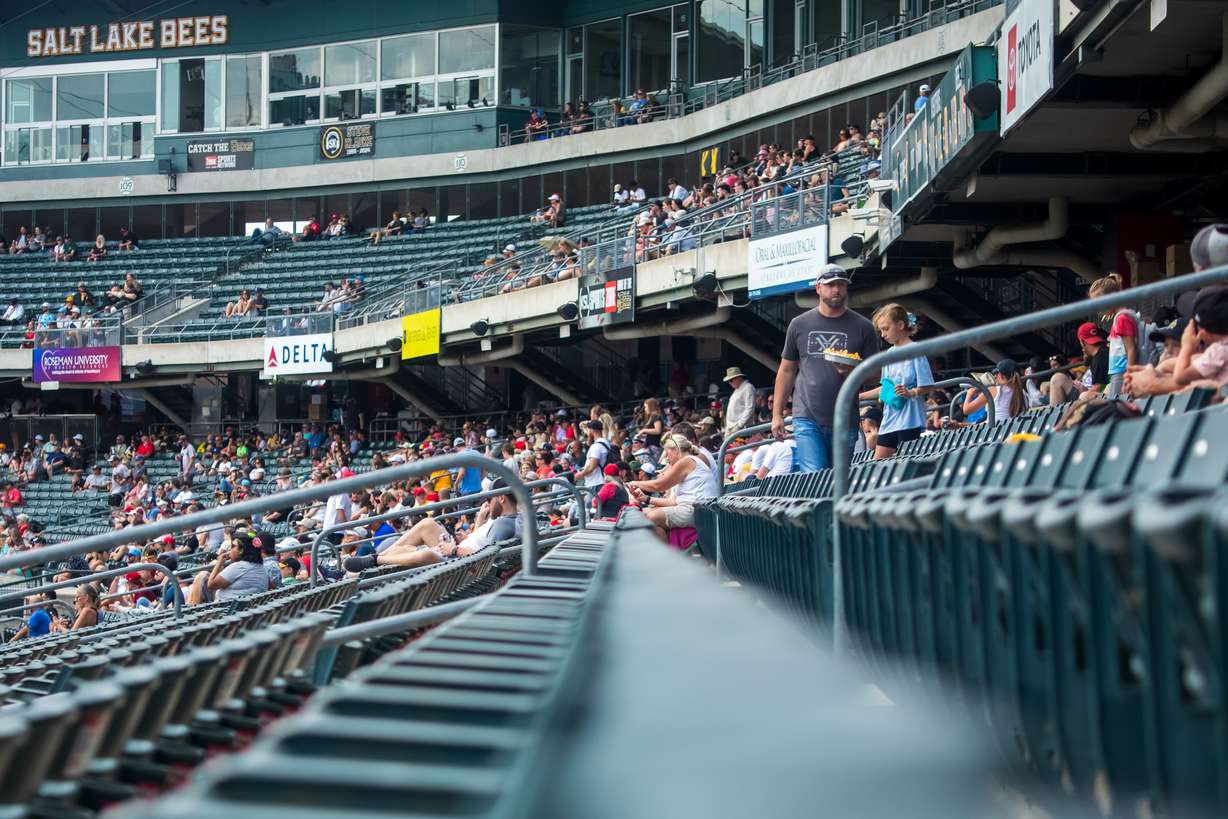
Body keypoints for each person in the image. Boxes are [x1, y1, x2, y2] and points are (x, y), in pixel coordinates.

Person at [772, 264, 879, 472]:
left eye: (841, 285)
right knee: (814, 476)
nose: (836, 290)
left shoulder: (863, 326)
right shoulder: (799, 324)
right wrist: (777, 414)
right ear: (818, 288)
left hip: (844, 417)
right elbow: (786, 370)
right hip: (806, 414)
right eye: (830, 285)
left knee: (837, 480)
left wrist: (853, 371)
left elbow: (875, 376)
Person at [861, 304, 935, 458]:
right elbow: (885, 387)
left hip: (910, 419)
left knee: (908, 463)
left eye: (885, 329)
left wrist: (911, 392)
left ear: (900, 325)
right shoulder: (889, 353)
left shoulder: (915, 350)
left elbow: (927, 385)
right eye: (881, 330)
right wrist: (860, 396)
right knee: (877, 463)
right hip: (890, 418)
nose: (882, 334)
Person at [627, 435, 717, 538]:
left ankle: (664, 553)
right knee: (643, 513)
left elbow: (658, 485)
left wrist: (634, 483)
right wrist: (645, 498)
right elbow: (673, 502)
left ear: (676, 450)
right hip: (698, 509)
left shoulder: (687, 461)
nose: (666, 457)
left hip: (699, 511)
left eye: (667, 453)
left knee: (649, 518)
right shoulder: (687, 462)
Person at [1088, 273, 1137, 398]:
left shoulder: (1122, 318)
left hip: (1121, 373)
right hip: (1117, 373)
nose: (1097, 308)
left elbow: (1131, 349)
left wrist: (1129, 377)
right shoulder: (1119, 317)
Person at [197, 531, 272, 603]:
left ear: (241, 550)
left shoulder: (239, 567)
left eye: (233, 546)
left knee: (202, 576)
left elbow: (211, 584)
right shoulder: (261, 568)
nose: (230, 550)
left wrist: (219, 563)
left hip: (226, 610)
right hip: (244, 609)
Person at [962, 359, 1028, 421]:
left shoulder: (994, 391)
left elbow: (966, 410)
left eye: (997, 373)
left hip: (996, 431)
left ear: (1001, 375)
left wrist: (969, 393)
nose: (995, 376)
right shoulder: (1023, 393)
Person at [574, 420, 615, 492]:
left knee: (592, 503)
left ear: (592, 430)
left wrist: (577, 475)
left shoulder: (596, 446)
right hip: (600, 480)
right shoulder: (605, 442)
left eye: (588, 430)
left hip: (596, 483)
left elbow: (591, 467)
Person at [1075, 322, 1110, 396]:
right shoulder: (1103, 351)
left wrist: (1084, 391)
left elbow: (1098, 387)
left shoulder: (1099, 357)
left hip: (1106, 397)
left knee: (1083, 396)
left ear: (1082, 341)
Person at [722, 366, 756, 438]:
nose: (729, 383)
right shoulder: (737, 389)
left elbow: (749, 409)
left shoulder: (748, 387)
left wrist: (740, 425)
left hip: (741, 428)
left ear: (739, 378)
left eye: (731, 380)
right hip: (732, 426)